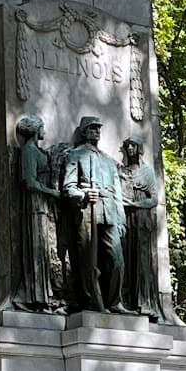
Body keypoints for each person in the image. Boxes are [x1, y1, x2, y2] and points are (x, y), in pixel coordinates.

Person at [62, 115, 130, 313]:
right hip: (87, 211)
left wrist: (121, 220)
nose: (96, 132)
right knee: (88, 262)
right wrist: (83, 194)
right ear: (84, 132)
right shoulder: (76, 155)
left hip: (109, 213)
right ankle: (93, 303)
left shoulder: (109, 161)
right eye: (92, 129)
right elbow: (68, 187)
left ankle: (115, 302)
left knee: (117, 260)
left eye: (98, 129)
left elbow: (117, 194)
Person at [12, 114, 62, 311]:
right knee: (37, 249)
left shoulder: (39, 152)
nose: (45, 130)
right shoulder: (28, 152)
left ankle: (46, 294)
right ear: (34, 130)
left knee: (46, 251)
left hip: (45, 207)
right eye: (42, 126)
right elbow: (30, 182)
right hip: (35, 207)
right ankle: (35, 296)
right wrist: (53, 192)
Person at [119, 136, 161, 320]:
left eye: (133, 146)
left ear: (139, 148)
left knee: (142, 261)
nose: (129, 149)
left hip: (142, 218)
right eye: (127, 146)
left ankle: (145, 303)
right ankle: (127, 300)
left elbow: (154, 199)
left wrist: (137, 205)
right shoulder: (123, 171)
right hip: (126, 218)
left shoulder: (147, 171)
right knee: (127, 258)